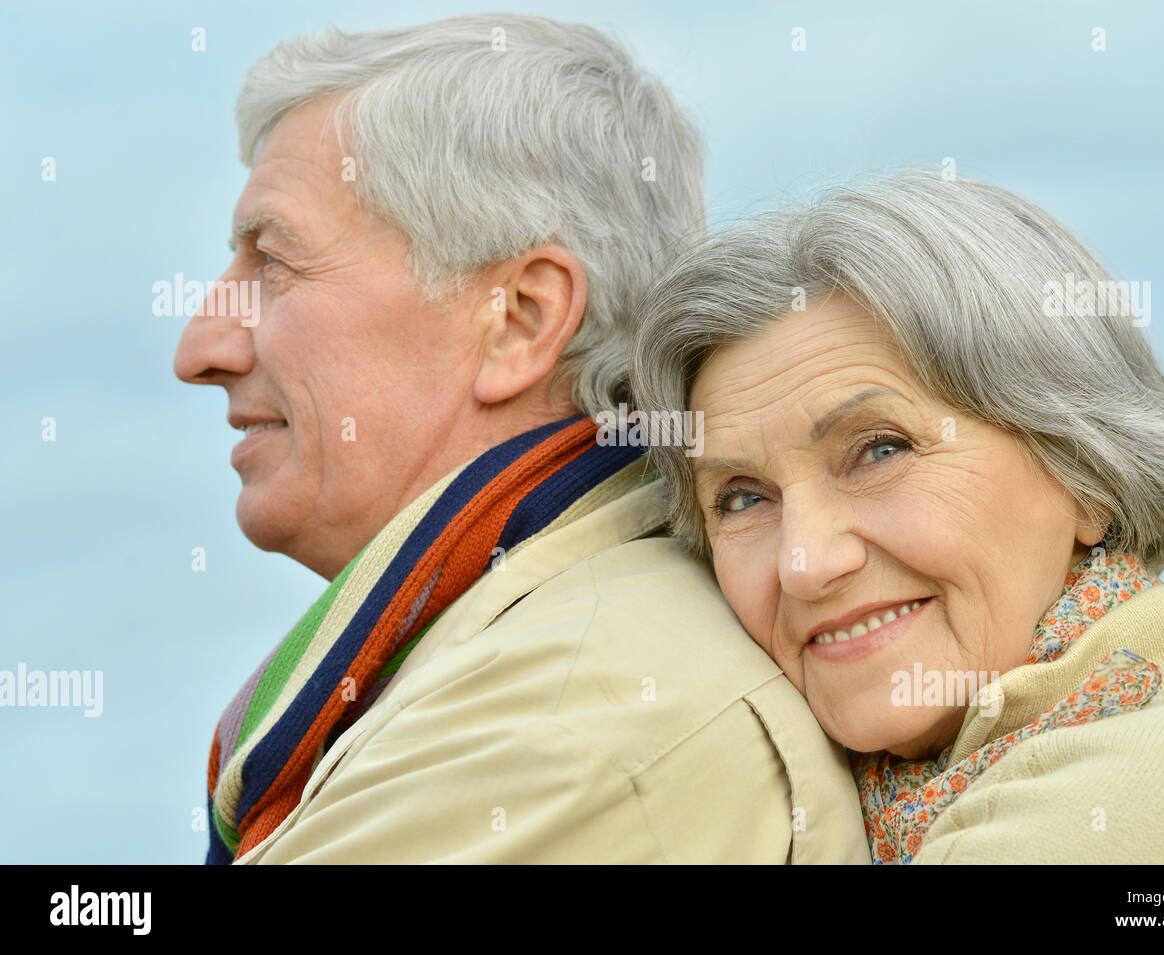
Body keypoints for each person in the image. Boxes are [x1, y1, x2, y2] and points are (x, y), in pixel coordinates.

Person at [174, 15, 869, 864]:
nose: (200, 348)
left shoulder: (575, 708)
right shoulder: (524, 652)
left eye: (272, 263)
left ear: (519, 319)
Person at [631, 170, 1164, 863]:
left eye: (880, 450)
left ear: (1085, 474)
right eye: (742, 496)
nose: (805, 562)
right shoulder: (896, 794)